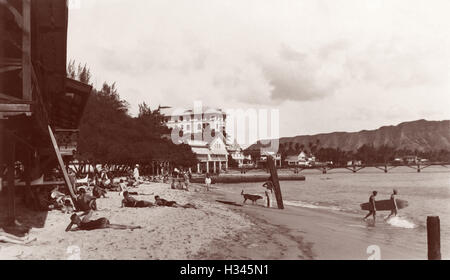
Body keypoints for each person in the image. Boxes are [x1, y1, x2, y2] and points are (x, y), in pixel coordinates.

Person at [65, 210, 141, 231]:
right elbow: (67, 230)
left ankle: (132, 227)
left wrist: (80, 216)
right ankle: (133, 227)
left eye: (73, 221)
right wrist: (79, 216)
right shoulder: (80, 226)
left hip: (101, 223)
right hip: (101, 222)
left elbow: (90, 210)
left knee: (115, 226)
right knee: (115, 226)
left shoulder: (82, 222)